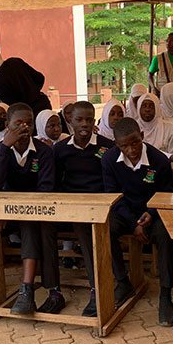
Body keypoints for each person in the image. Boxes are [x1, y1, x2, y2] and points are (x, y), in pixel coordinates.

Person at [102, 117, 173, 326]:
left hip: (152, 213)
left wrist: (151, 213)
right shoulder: (109, 160)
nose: (131, 149)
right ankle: (123, 282)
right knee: (105, 229)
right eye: (124, 145)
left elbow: (168, 192)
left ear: (142, 137)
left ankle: (165, 294)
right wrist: (133, 223)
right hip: (125, 212)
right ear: (117, 144)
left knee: (165, 234)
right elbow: (112, 195)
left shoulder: (159, 159)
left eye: (135, 142)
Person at [0, 103, 57, 315]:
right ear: (7, 125)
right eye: (18, 123)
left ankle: (26, 290)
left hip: (35, 212)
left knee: (30, 224)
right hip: (7, 213)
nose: (24, 128)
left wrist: (18, 211)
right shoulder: (0, 150)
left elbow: (46, 188)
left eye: (28, 123)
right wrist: (5, 147)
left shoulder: (43, 151)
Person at [52, 101, 116, 317]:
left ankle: (100, 288)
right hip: (72, 207)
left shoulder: (107, 147)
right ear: (70, 120)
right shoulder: (60, 149)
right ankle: (58, 290)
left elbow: (112, 181)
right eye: (79, 119)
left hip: (101, 205)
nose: (84, 124)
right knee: (73, 226)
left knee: (89, 228)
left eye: (89, 119)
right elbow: (55, 182)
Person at [0, 50, 53, 116]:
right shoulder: (15, 62)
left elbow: (11, 105)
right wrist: (33, 92)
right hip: (42, 105)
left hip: (24, 116)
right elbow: (40, 78)